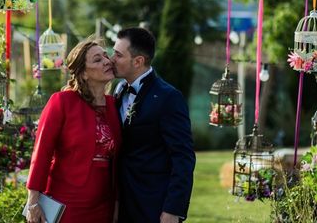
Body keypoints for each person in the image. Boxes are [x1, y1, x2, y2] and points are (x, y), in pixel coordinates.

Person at [25, 38, 121, 223]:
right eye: (97, 59)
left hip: (104, 205)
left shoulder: (114, 105)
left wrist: (117, 205)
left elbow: (118, 161)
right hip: (66, 203)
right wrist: (33, 201)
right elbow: (42, 152)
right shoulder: (62, 102)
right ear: (84, 73)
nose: (107, 61)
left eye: (106, 56)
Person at [112, 27, 196, 223]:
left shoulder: (168, 97)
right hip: (120, 204)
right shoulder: (117, 90)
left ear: (138, 61)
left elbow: (183, 157)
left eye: (118, 55)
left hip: (153, 206)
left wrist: (173, 209)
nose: (111, 59)